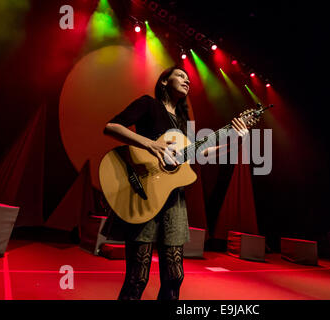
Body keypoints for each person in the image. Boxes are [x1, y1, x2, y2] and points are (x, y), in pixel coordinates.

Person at [102, 66, 248, 300]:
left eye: (189, 78)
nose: (187, 80)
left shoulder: (181, 122)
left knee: (174, 276)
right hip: (145, 195)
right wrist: (150, 144)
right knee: (138, 277)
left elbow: (202, 153)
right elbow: (112, 127)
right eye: (180, 75)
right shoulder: (148, 104)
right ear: (163, 82)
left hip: (174, 201)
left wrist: (237, 142)